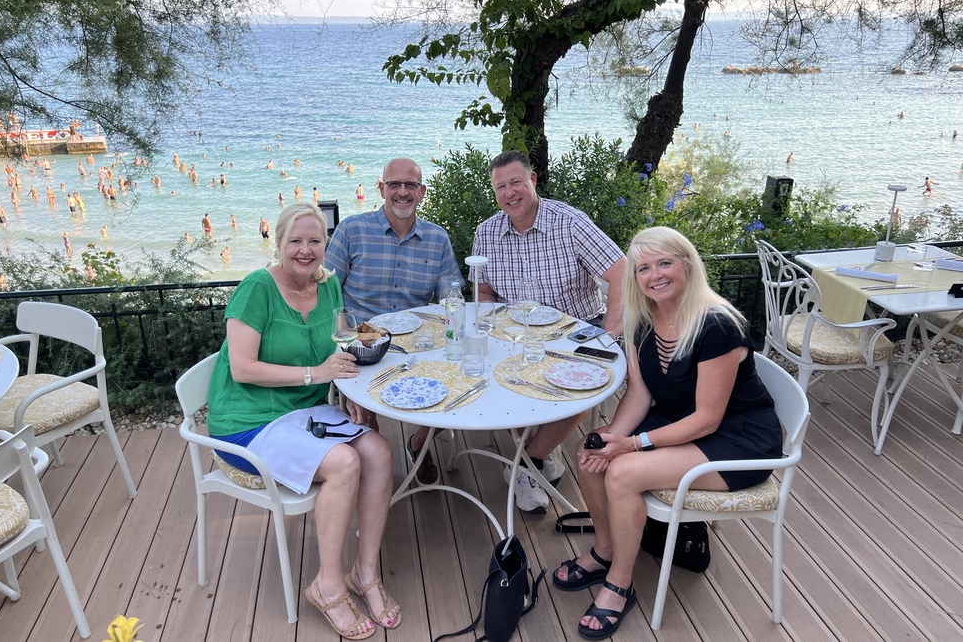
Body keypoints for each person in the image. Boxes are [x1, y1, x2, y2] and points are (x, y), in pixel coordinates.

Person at [551, 226, 782, 639]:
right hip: (680, 422)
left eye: (665, 263)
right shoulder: (643, 321)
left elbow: (708, 419)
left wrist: (633, 444)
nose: (655, 275)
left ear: (688, 266)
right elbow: (639, 394)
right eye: (643, 268)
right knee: (590, 454)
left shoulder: (717, 325)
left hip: (736, 437)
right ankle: (605, 552)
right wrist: (611, 440)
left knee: (622, 472)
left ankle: (620, 585)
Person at [206, 204, 399, 638]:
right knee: (346, 463)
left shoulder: (328, 287)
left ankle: (364, 574)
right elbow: (242, 368)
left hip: (305, 413)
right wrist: (317, 375)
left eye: (315, 241)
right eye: (296, 241)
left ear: (326, 245)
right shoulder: (257, 288)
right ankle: (327, 586)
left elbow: (341, 350)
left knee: (379, 451)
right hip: (247, 421)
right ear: (278, 244)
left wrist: (352, 397)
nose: (306, 250)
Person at [472, 150, 627, 512]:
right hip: (514, 332)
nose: (510, 193)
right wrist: (484, 324)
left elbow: (621, 273)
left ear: (533, 180)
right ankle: (542, 451)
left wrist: (609, 335)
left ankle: (529, 460)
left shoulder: (569, 222)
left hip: (575, 330)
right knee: (491, 374)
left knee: (590, 379)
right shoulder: (487, 232)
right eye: (500, 187)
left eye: (516, 182)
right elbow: (484, 291)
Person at [325, 157, 463, 484]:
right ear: (382, 187)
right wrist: (339, 342)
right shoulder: (352, 230)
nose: (402, 192)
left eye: (410, 185)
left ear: (422, 192)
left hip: (417, 341)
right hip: (363, 340)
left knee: (458, 383)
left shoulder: (437, 239)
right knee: (365, 420)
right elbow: (326, 293)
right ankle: (375, 459)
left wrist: (455, 328)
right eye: (395, 184)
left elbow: (450, 298)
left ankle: (421, 441)